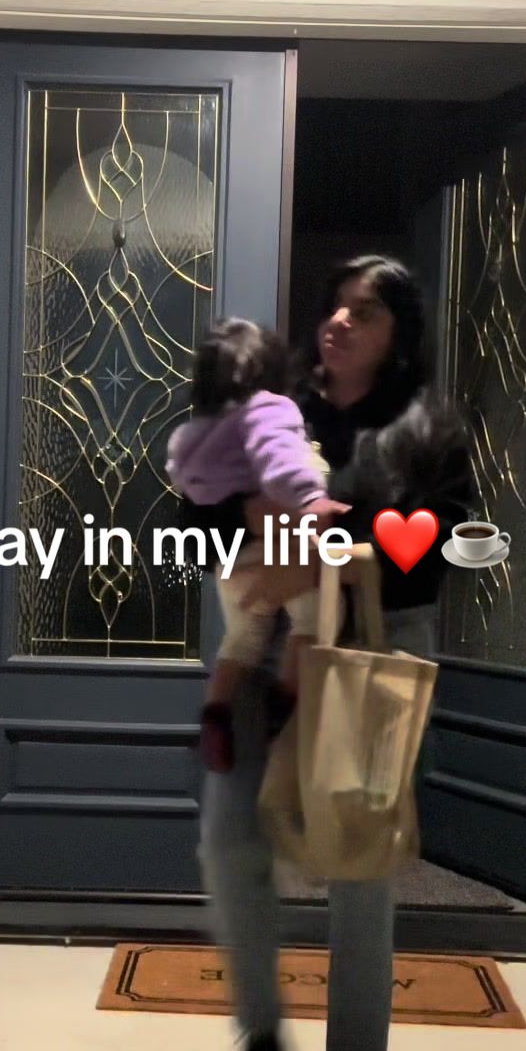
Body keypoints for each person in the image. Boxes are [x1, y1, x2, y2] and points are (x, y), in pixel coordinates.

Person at [178, 255, 472, 1051]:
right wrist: (249, 525)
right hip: (263, 644)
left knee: (358, 864)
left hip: (375, 651)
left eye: (365, 313)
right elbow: (192, 515)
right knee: (229, 842)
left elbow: (441, 551)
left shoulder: (429, 427)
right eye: (335, 307)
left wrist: (326, 547)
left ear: (399, 334)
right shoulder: (274, 405)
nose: (340, 322)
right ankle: (262, 1049)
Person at [165, 319, 346, 773]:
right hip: (276, 550)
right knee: (316, 615)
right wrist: (305, 504)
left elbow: (191, 499)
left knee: (243, 636)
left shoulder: (203, 434)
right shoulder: (271, 414)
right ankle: (286, 701)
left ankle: (216, 710)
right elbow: (285, 470)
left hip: (233, 564)